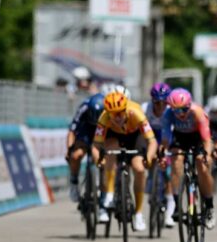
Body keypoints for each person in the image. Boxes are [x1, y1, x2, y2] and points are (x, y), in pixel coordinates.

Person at [93, 91, 158, 231]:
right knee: (110, 150)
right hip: (115, 136)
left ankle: (139, 213)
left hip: (135, 136)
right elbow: (96, 145)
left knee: (139, 169)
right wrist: (98, 159)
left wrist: (148, 158)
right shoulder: (104, 117)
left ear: (125, 109)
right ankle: (109, 194)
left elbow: (152, 142)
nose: (116, 118)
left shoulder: (137, 113)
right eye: (112, 114)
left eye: (120, 113)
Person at [161, 88, 216, 230]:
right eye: (176, 110)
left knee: (202, 165)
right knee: (176, 161)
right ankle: (177, 204)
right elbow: (166, 137)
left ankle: (209, 207)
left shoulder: (197, 112)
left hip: (198, 138)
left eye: (183, 110)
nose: (180, 114)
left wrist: (207, 154)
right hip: (180, 138)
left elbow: (207, 138)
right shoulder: (168, 114)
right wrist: (163, 152)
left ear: (189, 105)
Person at [66, 91, 105, 216]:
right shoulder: (83, 108)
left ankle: (102, 187)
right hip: (86, 130)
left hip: (102, 129)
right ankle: (73, 181)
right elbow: (72, 131)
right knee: (76, 155)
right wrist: (69, 150)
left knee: (103, 158)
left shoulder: (107, 109)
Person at [141, 82, 175, 227]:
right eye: (157, 103)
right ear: (152, 100)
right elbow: (140, 131)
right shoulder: (145, 109)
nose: (160, 106)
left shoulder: (172, 110)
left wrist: (167, 152)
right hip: (150, 136)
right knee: (149, 160)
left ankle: (169, 210)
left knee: (167, 171)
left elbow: (172, 134)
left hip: (167, 137)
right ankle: (151, 180)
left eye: (163, 103)